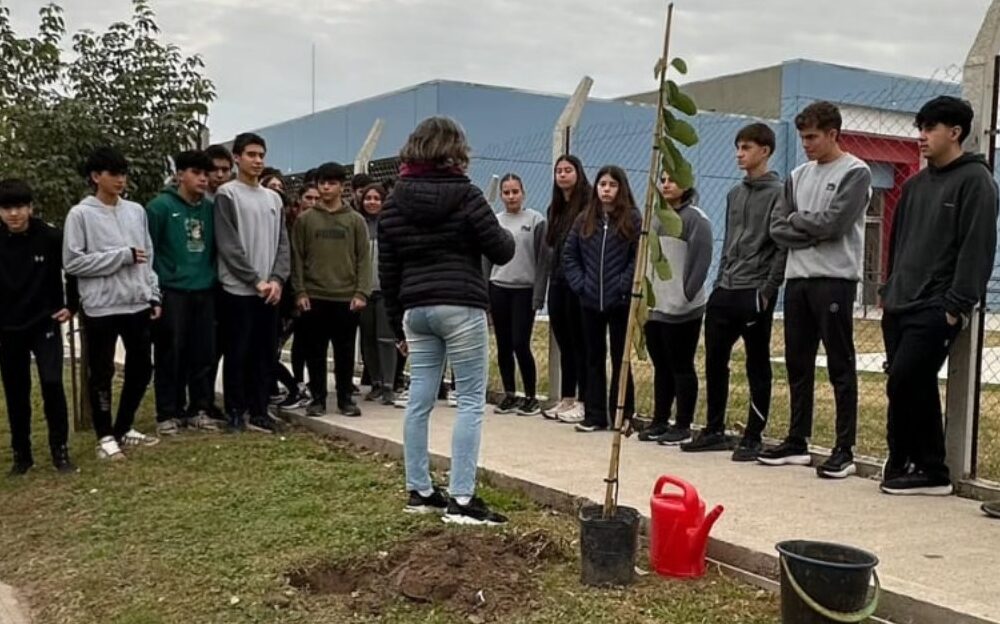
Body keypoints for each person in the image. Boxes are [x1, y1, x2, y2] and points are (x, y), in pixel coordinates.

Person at [379, 116, 515, 525]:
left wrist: (396, 325)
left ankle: (419, 490)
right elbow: (502, 249)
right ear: (455, 150)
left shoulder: (393, 202)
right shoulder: (467, 194)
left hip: (415, 310)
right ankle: (461, 498)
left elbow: (388, 272)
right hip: (460, 304)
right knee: (469, 400)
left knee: (419, 400)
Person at [879, 96, 998, 496]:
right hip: (900, 302)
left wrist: (955, 306)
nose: (922, 136)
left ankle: (930, 468)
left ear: (955, 132)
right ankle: (907, 463)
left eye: (930, 128)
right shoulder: (914, 184)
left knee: (905, 379)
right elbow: (897, 243)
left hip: (936, 306)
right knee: (912, 384)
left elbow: (977, 247)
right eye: (920, 128)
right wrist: (889, 291)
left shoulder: (976, 181)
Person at [765, 101, 872, 479]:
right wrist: (809, 232)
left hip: (834, 279)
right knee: (798, 362)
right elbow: (777, 227)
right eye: (802, 138)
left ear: (833, 134)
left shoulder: (856, 172)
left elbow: (835, 224)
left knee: (840, 363)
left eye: (812, 137)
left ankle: (844, 449)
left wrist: (800, 223)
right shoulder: (797, 176)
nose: (806, 144)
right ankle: (797, 440)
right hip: (798, 279)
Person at [681, 123, 786, 461]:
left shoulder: (780, 193)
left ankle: (753, 436)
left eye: (747, 148)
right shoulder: (734, 194)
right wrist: (718, 283)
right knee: (714, 360)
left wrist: (767, 291)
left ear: (765, 151)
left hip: (754, 291)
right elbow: (728, 241)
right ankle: (714, 429)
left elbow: (782, 246)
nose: (739, 154)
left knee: (757, 363)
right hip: (725, 289)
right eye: (738, 147)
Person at [64, 146, 162, 459]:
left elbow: (147, 255)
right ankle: (104, 435)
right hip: (101, 306)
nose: (121, 180)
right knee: (101, 372)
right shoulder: (80, 214)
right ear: (96, 177)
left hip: (136, 303)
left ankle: (123, 427)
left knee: (142, 368)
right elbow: (73, 262)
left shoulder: (136, 211)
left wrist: (152, 292)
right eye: (114, 174)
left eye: (123, 174)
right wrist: (120, 257)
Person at [0, 179, 77, 475]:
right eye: (7, 208)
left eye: (20, 207)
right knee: (16, 390)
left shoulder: (50, 236)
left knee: (52, 383)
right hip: (8, 327)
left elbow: (72, 271)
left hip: (45, 322)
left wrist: (72, 305)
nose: (14, 214)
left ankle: (60, 450)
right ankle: (22, 455)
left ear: (30, 208)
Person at [214, 133, 290, 433]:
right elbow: (228, 244)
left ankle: (260, 409)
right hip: (238, 290)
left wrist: (277, 280)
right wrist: (255, 280)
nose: (257, 161)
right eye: (251, 155)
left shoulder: (273, 198)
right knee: (237, 352)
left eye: (261, 155)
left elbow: (283, 244)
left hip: (270, 292)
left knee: (264, 353)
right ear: (237, 157)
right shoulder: (227, 194)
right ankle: (235, 410)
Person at [563, 165, 640, 433]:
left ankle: (622, 413)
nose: (606, 190)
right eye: (602, 184)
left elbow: (637, 257)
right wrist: (581, 284)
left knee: (621, 358)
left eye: (612, 185)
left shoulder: (632, 219)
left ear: (621, 188)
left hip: (620, 301)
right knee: (593, 357)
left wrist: (623, 284)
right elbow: (569, 255)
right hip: (590, 300)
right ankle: (594, 414)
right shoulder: (584, 219)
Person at [147, 150, 220, 435]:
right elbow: (150, 250)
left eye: (205, 174)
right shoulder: (159, 207)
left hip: (204, 289)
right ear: (179, 175)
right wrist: (157, 286)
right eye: (196, 173)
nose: (203, 179)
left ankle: (199, 409)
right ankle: (168, 412)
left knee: (203, 352)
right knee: (170, 352)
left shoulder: (210, 209)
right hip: (172, 290)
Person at [291, 162, 371, 417]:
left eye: (332, 183)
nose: (326, 187)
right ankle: (318, 399)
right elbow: (297, 258)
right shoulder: (305, 220)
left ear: (342, 186)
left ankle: (345, 398)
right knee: (315, 351)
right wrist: (300, 291)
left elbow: (363, 258)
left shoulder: (355, 220)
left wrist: (361, 292)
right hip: (314, 296)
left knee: (345, 352)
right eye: (322, 182)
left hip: (346, 297)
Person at [638, 173, 712, 446]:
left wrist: (685, 295)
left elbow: (701, 262)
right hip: (656, 306)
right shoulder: (654, 217)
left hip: (682, 309)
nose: (667, 184)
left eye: (673, 179)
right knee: (661, 365)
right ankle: (660, 420)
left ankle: (682, 424)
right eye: (663, 179)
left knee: (681, 365)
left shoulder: (695, 219)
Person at [486, 173, 548, 416]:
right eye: (506, 192)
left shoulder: (535, 220)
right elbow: (486, 259)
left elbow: (543, 260)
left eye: (515, 192)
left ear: (523, 193)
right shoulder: (495, 221)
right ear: (501, 195)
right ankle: (510, 393)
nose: (511, 196)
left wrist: (539, 294)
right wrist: (485, 294)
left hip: (524, 290)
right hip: (498, 287)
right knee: (503, 344)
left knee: (520, 343)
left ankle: (531, 397)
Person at [543, 155, 591, 423]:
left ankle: (585, 400)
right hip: (557, 280)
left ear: (578, 173)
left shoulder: (588, 205)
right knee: (564, 341)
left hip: (577, 281)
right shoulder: (555, 208)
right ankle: (568, 396)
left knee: (579, 341)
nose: (562, 175)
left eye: (568, 170)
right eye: (559, 171)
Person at [357, 183, 399, 406]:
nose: (372, 202)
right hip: (363, 292)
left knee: (386, 339)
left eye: (376, 198)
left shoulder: (391, 225)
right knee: (368, 339)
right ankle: (375, 383)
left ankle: (389, 386)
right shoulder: (358, 224)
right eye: (368, 198)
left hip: (386, 292)